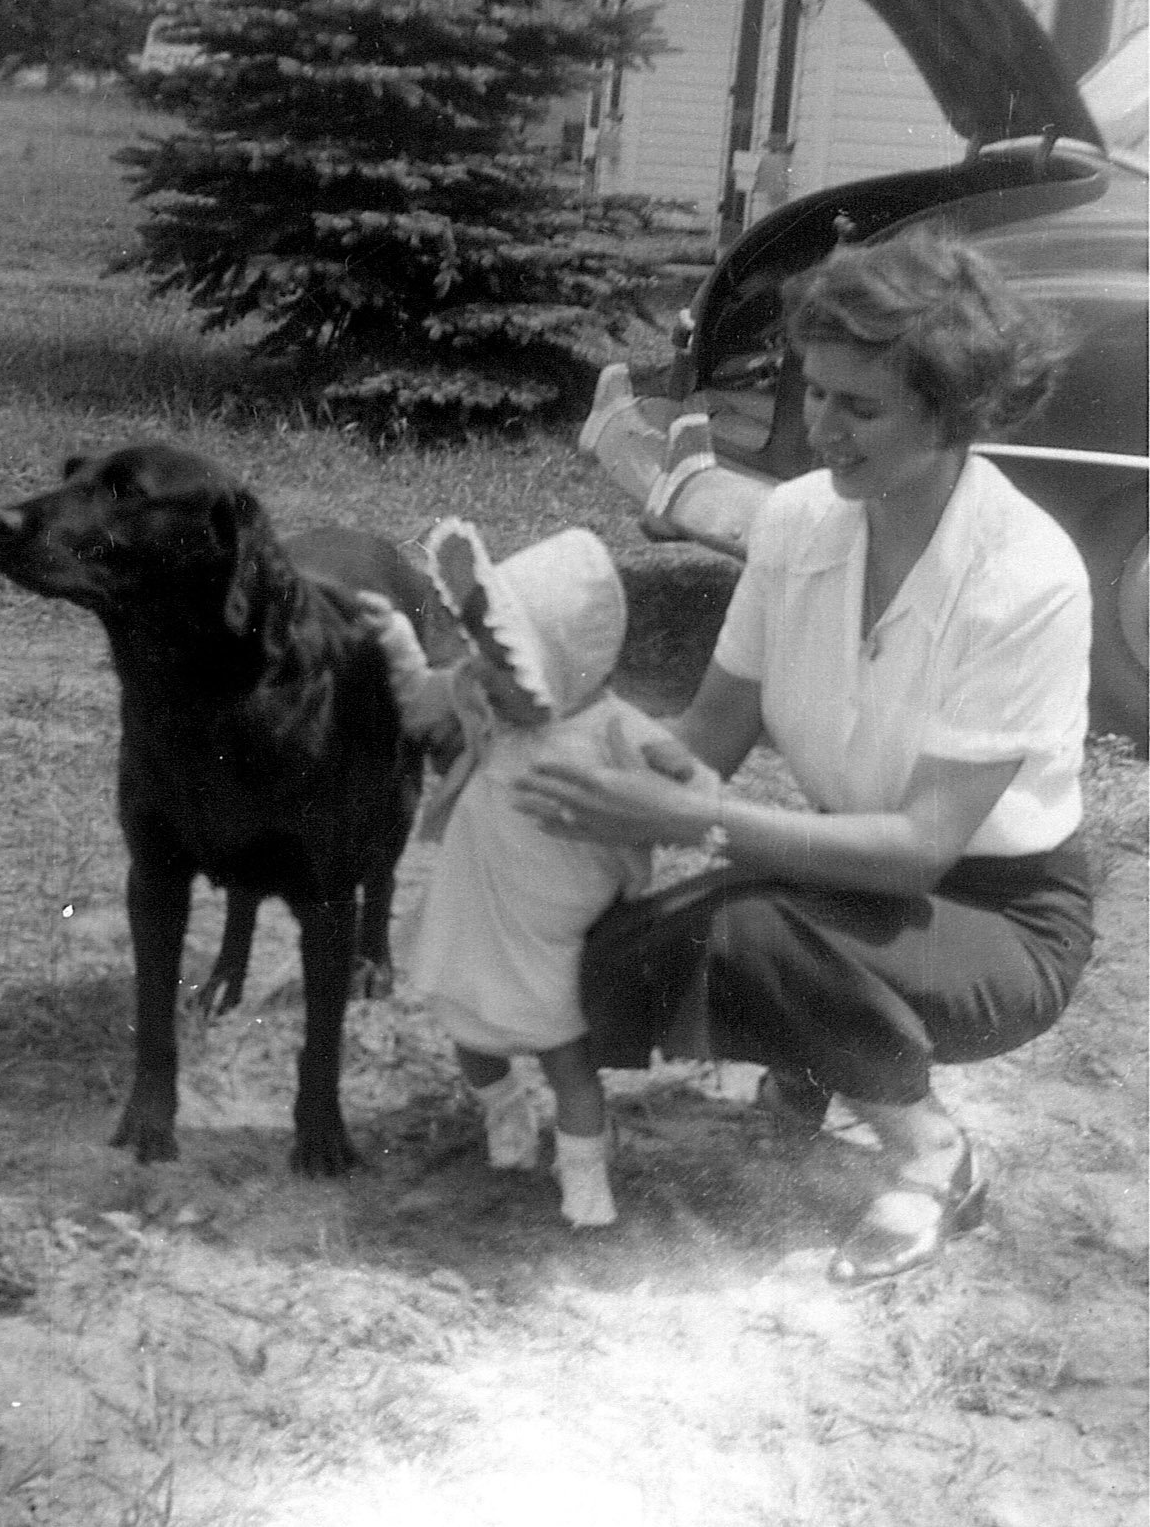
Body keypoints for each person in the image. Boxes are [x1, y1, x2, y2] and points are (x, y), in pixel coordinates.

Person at [513, 222, 1096, 1285]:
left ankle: (932, 1155)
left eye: (858, 406)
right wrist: (548, 754)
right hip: (836, 875)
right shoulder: (795, 524)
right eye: (814, 391)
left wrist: (685, 820)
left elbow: (922, 850)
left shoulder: (1025, 577)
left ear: (950, 411)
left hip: (1000, 919)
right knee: (591, 972)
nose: (819, 428)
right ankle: (813, 1045)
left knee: (744, 930)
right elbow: (707, 741)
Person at [360, 521, 672, 1228]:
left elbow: (684, 783)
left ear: (565, 663)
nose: (489, 682)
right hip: (478, 903)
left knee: (566, 1053)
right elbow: (418, 701)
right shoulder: (480, 690)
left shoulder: (613, 731)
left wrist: (686, 794)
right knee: (470, 1028)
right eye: (488, 662)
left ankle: (584, 1170)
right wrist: (394, 639)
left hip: (553, 922)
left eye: (512, 668)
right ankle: (504, 1109)